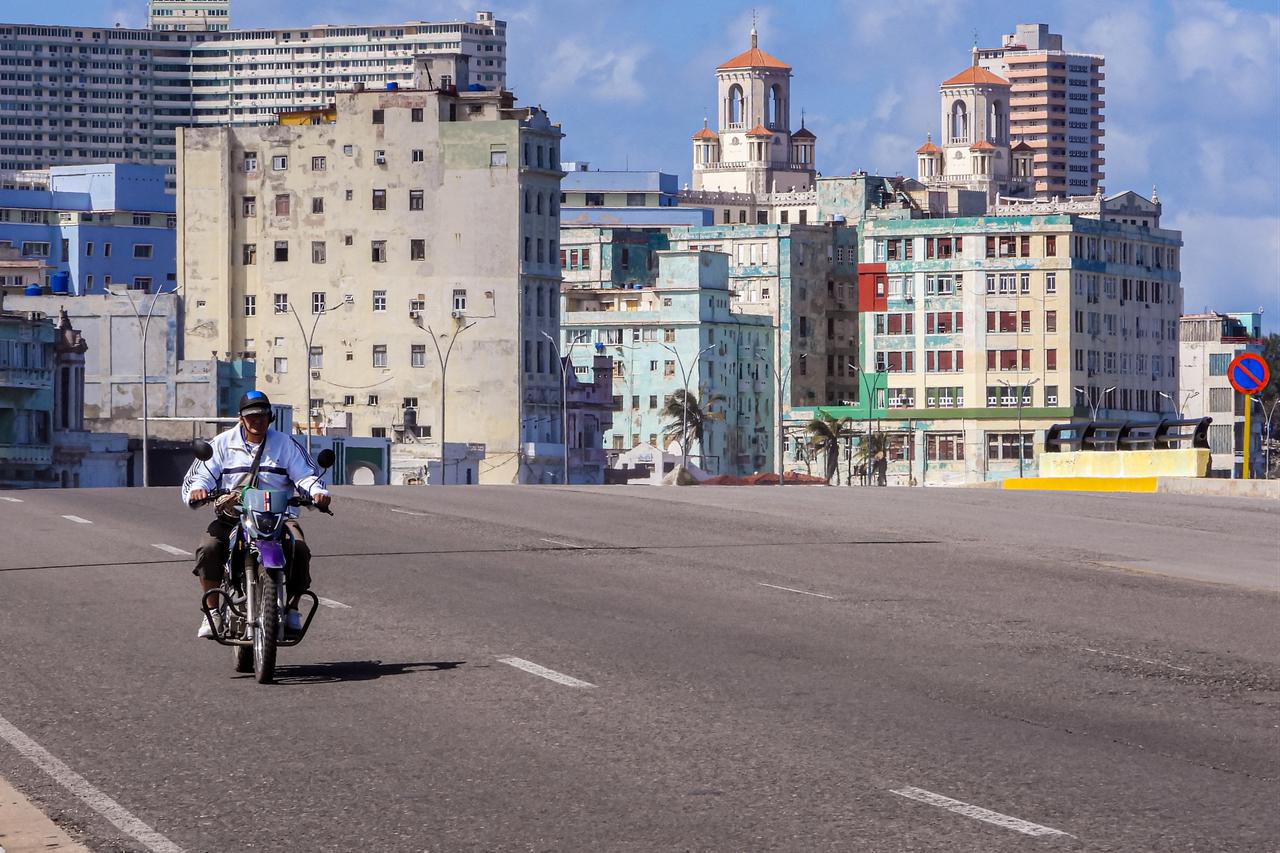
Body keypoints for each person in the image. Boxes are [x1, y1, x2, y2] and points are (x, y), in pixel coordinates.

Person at [181, 391, 332, 639]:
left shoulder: (285, 444)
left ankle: (292, 607)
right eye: (251, 416)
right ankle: (213, 613)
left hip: (278, 517)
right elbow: (201, 475)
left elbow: (307, 474)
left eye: (262, 415)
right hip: (234, 517)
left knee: (300, 549)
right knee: (208, 547)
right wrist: (199, 490)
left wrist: (317, 492)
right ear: (241, 418)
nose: (257, 421)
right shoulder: (222, 443)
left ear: (270, 417)